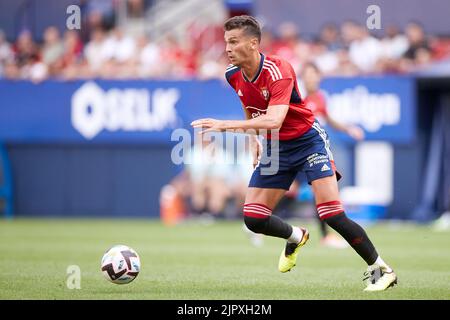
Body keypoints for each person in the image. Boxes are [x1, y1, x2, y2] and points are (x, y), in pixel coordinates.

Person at [191, 15, 396, 291]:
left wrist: (223, 125)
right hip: (277, 147)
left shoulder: (279, 70)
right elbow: (250, 106)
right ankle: (296, 236)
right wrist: (254, 139)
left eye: (233, 42)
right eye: (226, 42)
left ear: (253, 44)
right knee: (253, 218)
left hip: (308, 141)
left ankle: (381, 269)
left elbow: (274, 120)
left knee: (331, 213)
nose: (227, 48)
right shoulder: (233, 75)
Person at [301, 62, 364, 248]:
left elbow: (328, 119)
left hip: (311, 152)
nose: (311, 78)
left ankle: (325, 236)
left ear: (319, 76)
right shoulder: (297, 97)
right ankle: (258, 219)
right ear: (303, 78)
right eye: (307, 74)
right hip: (295, 151)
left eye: (314, 74)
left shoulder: (320, 98)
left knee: (320, 191)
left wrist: (349, 128)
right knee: (283, 189)